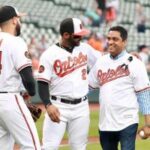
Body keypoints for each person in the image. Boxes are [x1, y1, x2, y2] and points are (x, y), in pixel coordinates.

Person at [37, 17, 101, 150]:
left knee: (79, 147)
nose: (81, 38)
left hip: (81, 107)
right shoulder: (49, 54)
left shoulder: (85, 48)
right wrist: (48, 105)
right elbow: (42, 83)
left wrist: (125, 57)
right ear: (66, 35)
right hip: (58, 106)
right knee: (49, 147)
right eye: (78, 36)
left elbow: (104, 61)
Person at [88, 26, 150, 150]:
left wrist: (148, 124)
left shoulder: (135, 64)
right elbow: (87, 87)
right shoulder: (101, 62)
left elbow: (143, 94)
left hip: (127, 122)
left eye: (115, 39)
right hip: (105, 123)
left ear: (124, 42)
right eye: (109, 38)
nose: (110, 42)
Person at [0, 5, 41, 149]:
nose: (20, 22)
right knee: (32, 146)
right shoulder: (15, 41)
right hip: (10, 99)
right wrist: (30, 93)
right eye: (19, 19)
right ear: (13, 20)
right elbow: (28, 78)